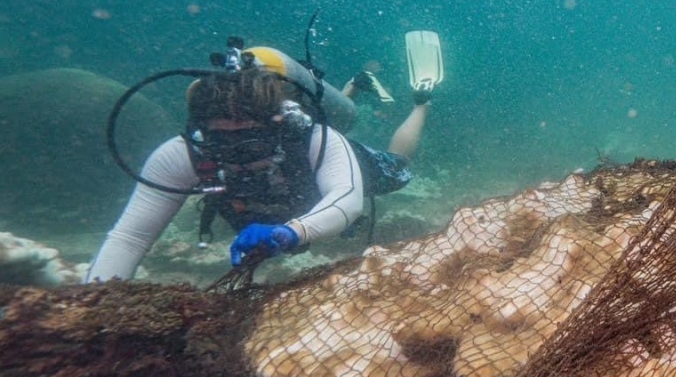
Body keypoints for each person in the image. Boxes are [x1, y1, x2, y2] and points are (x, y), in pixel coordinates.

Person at [86, 59, 432, 282]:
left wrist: (291, 232)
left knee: (398, 168)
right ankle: (352, 88)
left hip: (323, 171)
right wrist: (97, 305)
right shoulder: (183, 153)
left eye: (249, 142)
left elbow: (346, 201)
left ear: (277, 126)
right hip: (294, 194)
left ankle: (422, 103)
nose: (238, 155)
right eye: (223, 142)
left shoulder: (313, 137)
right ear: (203, 132)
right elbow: (130, 238)